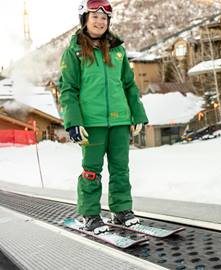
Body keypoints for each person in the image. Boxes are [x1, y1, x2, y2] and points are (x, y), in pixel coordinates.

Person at [59, 0, 148, 234]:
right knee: (91, 170)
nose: (100, 21)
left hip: (120, 120)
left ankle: (121, 210)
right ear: (85, 19)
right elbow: (68, 89)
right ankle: (90, 214)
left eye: (104, 17)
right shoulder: (74, 51)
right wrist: (74, 122)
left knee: (121, 168)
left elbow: (129, 85)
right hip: (92, 122)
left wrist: (137, 114)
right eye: (94, 16)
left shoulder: (117, 50)